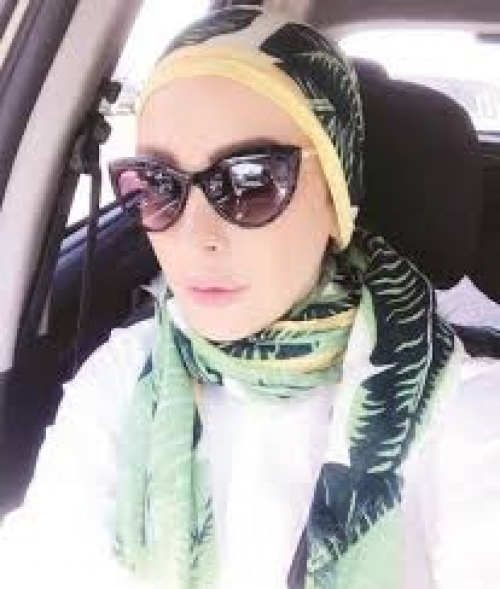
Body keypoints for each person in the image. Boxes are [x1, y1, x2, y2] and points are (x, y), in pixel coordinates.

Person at [1, 5, 500, 589]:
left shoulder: (468, 410)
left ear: (336, 198)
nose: (196, 236)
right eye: (157, 185)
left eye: (251, 182)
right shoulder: (125, 372)